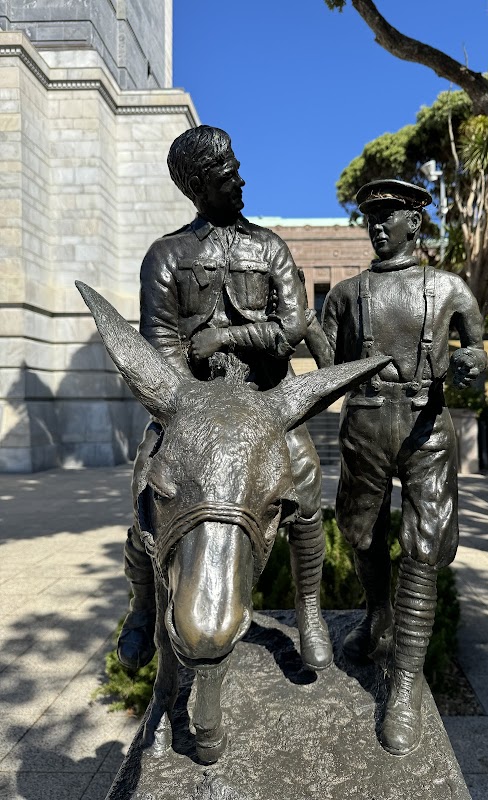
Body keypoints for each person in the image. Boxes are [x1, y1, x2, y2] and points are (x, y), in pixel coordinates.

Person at [119, 125, 333, 674]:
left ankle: (309, 608)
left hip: (264, 404)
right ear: (197, 188)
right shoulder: (165, 257)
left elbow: (291, 329)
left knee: (306, 482)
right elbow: (159, 343)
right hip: (193, 409)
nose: (239, 180)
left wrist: (229, 338)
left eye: (236, 167)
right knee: (148, 483)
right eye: (224, 176)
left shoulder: (269, 248)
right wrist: (191, 405)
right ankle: (144, 606)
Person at [322, 178, 487, 756]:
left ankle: (405, 686)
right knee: (359, 532)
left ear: (414, 223)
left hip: (427, 430)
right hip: (365, 425)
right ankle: (377, 615)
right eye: (370, 214)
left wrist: (468, 363)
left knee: (423, 548)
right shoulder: (345, 295)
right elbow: (331, 366)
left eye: (387, 214)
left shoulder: (449, 289)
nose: (376, 222)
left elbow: (476, 350)